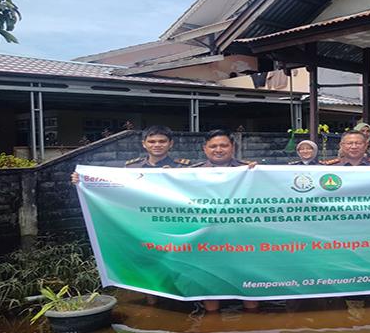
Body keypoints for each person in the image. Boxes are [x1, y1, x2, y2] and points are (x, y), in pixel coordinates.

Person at [70, 125, 190, 307]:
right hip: (141, 224)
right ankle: (152, 301)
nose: (157, 145)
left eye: (162, 141)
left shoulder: (184, 168)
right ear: (144, 144)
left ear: (170, 144)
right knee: (147, 263)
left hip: (172, 225)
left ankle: (180, 300)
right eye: (152, 141)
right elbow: (114, 190)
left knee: (176, 264)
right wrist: (83, 181)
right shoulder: (131, 168)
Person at [190, 129, 257, 312]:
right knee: (210, 284)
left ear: (232, 147)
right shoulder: (190, 173)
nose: (218, 149)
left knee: (249, 284)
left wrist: (259, 174)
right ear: (205, 149)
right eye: (213, 146)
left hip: (242, 238)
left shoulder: (250, 170)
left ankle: (253, 323)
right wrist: (166, 177)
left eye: (223, 145)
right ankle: (212, 323)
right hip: (207, 238)